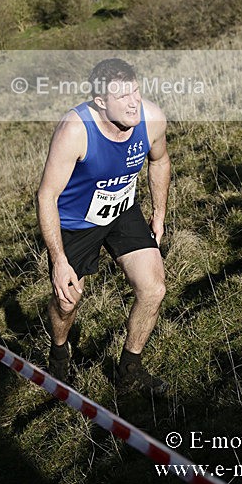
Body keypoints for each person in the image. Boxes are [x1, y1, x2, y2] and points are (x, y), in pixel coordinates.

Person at [36, 58, 170, 394]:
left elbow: (160, 160)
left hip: (122, 212)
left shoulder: (151, 119)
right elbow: (46, 197)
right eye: (122, 97)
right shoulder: (75, 131)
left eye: (135, 91)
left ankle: (129, 371)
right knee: (67, 302)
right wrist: (59, 260)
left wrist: (159, 213)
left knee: (153, 289)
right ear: (100, 102)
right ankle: (59, 353)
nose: (133, 102)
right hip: (76, 222)